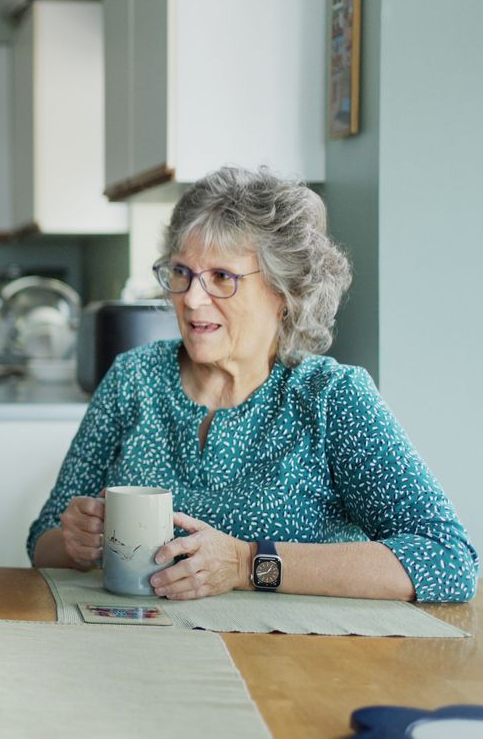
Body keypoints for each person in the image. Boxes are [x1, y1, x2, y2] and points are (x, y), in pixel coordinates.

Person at [28, 166, 478, 603]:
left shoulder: (331, 397)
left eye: (221, 277)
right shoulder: (133, 377)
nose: (191, 299)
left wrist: (247, 564)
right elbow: (42, 540)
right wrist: (74, 543)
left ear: (285, 292)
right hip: (143, 640)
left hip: (291, 649)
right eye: (181, 272)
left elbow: (446, 560)